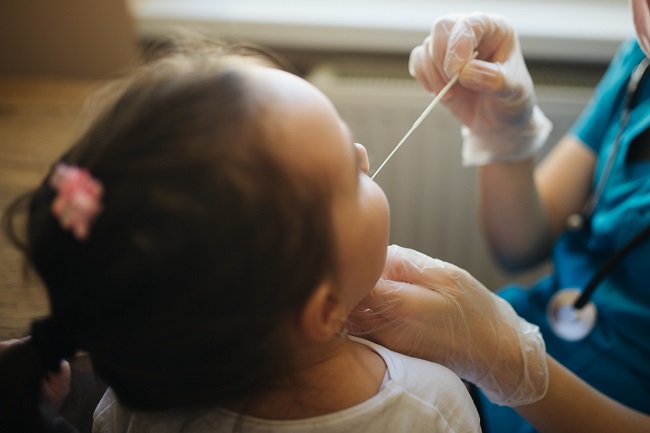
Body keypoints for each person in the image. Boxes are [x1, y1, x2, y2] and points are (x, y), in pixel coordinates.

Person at [0, 39, 487, 433]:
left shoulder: (128, 412)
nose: (363, 155)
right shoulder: (433, 410)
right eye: (347, 170)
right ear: (321, 310)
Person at [406, 1, 650, 431]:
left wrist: (503, 359)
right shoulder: (641, 59)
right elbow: (521, 245)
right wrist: (501, 133)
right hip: (523, 348)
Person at [350, 244, 650, 433]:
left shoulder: (433, 406)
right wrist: (504, 149)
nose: (362, 156)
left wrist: (507, 359)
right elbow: (518, 244)